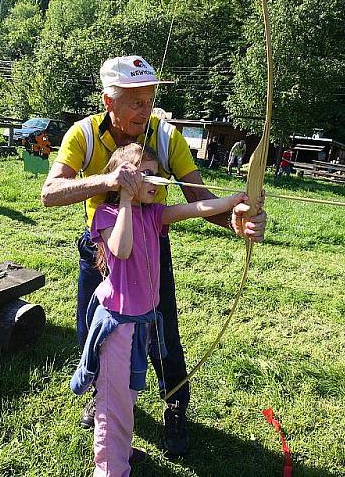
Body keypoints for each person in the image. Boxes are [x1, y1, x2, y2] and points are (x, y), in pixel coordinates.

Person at [41, 55, 266, 457]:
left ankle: (175, 404)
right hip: (101, 246)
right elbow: (49, 192)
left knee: (164, 333)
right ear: (109, 102)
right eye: (135, 102)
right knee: (93, 329)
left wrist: (236, 218)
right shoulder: (84, 134)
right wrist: (110, 180)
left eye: (149, 101)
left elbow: (198, 200)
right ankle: (100, 394)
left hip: (149, 246)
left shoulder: (165, 137)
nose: (145, 112)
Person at [71, 143, 247, 475]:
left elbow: (197, 209)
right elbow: (121, 249)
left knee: (129, 395)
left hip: (140, 325)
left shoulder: (154, 214)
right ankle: (110, 469)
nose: (159, 181)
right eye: (148, 174)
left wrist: (234, 200)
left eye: (159, 173)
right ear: (124, 179)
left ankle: (119, 452)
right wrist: (123, 197)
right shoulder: (106, 214)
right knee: (113, 403)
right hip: (116, 328)